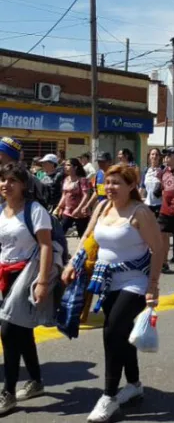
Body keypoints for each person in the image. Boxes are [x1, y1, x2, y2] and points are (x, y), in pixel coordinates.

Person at [61, 165, 164, 422]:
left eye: (117, 183)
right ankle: (134, 384)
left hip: (135, 282)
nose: (110, 188)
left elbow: (159, 248)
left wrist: (152, 285)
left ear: (131, 186)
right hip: (106, 282)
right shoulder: (103, 206)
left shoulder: (140, 212)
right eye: (108, 182)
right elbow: (87, 236)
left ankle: (108, 396)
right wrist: (73, 262)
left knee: (111, 331)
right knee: (122, 334)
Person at [0, 164, 60, 415]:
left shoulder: (35, 211)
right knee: (22, 332)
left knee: (8, 330)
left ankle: (9, 393)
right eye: (2, 180)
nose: (6, 184)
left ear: (24, 185)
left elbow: (46, 246)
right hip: (5, 276)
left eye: (12, 180)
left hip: (28, 276)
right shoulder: (2, 211)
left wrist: (43, 282)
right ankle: (36, 381)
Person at [54, 158, 91, 237]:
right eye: (65, 165)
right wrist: (59, 207)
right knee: (60, 233)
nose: (65, 167)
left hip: (80, 213)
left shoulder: (82, 180)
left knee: (83, 235)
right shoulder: (66, 179)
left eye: (68, 165)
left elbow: (86, 195)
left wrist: (78, 209)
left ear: (75, 167)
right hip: (67, 211)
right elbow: (64, 195)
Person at [139, 148, 164, 217]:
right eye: (152, 154)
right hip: (148, 205)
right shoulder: (146, 170)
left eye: (157, 154)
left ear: (159, 157)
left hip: (160, 205)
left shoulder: (163, 170)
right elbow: (142, 187)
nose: (154, 156)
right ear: (149, 156)